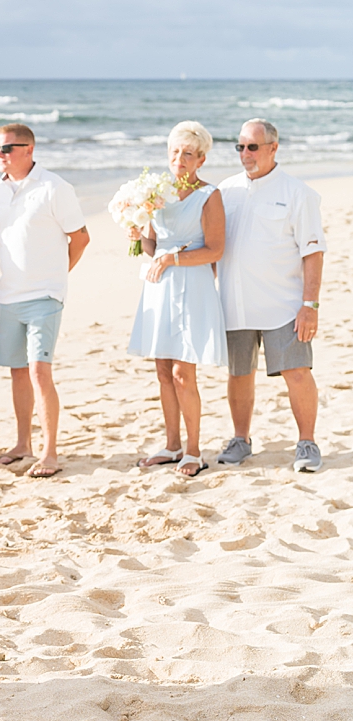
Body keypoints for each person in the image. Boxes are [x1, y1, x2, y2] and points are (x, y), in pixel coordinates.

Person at [214, 119, 327, 473]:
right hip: (234, 304)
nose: (245, 154)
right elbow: (213, 247)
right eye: (240, 147)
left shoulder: (298, 193)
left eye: (252, 147)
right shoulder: (225, 190)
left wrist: (309, 306)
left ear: (273, 148)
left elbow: (313, 253)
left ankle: (307, 442)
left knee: (297, 372)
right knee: (239, 373)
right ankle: (240, 439)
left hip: (284, 305)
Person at [0, 123, 90, 478]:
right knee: (18, 373)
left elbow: (81, 238)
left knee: (38, 372)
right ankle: (22, 444)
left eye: (7, 149)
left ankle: (50, 452)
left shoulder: (55, 188)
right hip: (8, 295)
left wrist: (57, 277)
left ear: (29, 150)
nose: (0, 155)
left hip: (45, 296)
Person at [128, 121, 227, 477]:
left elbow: (215, 249)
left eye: (187, 154)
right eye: (174, 152)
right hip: (160, 283)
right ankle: (171, 446)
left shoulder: (209, 195)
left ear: (201, 159)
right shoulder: (158, 192)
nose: (179, 159)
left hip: (193, 283)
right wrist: (138, 235)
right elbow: (153, 244)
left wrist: (173, 258)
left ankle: (194, 451)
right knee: (162, 370)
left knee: (184, 371)